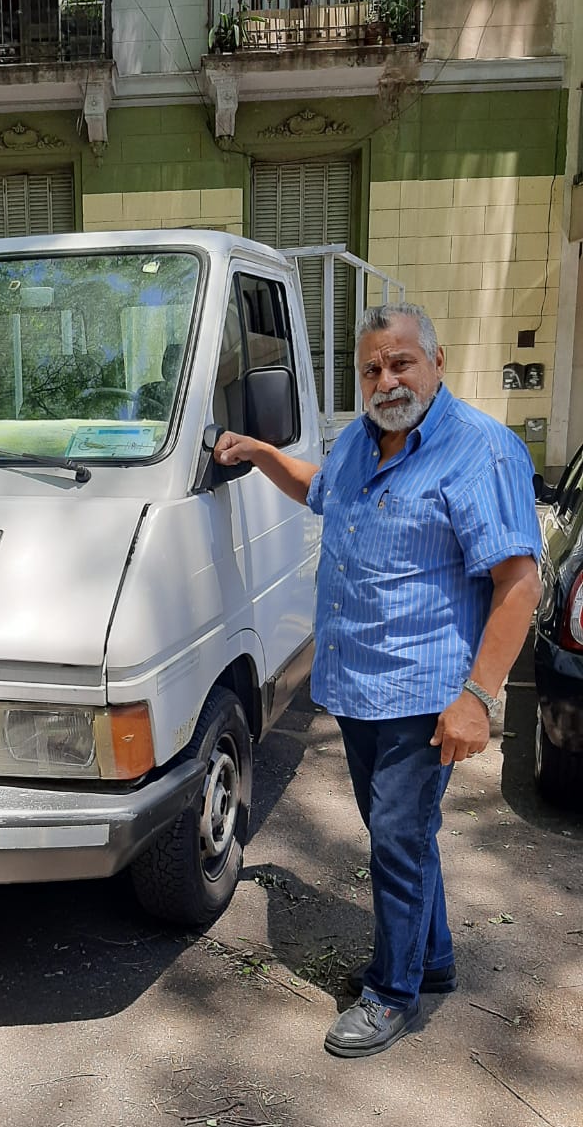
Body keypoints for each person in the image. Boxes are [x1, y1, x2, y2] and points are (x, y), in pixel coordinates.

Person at [214, 303, 542, 1059]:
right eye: (371, 368)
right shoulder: (361, 443)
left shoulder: (478, 449)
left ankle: (392, 994)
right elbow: (319, 489)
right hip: (358, 687)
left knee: (395, 839)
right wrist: (262, 453)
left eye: (400, 363)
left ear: (436, 363)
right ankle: (433, 959)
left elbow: (518, 583)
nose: (386, 379)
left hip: (425, 695)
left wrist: (477, 698)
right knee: (400, 834)